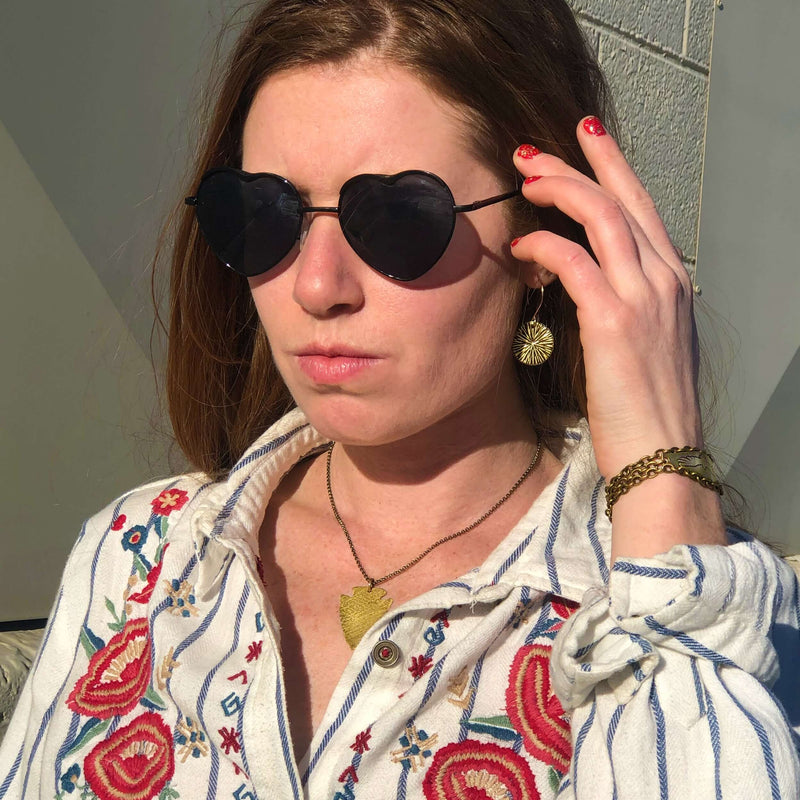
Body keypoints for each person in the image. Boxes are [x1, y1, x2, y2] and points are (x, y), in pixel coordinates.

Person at [1, 0, 799, 797]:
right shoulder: (134, 555)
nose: (315, 285)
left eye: (396, 218)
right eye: (262, 214)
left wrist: (666, 480)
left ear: (542, 237)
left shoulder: (696, 608)